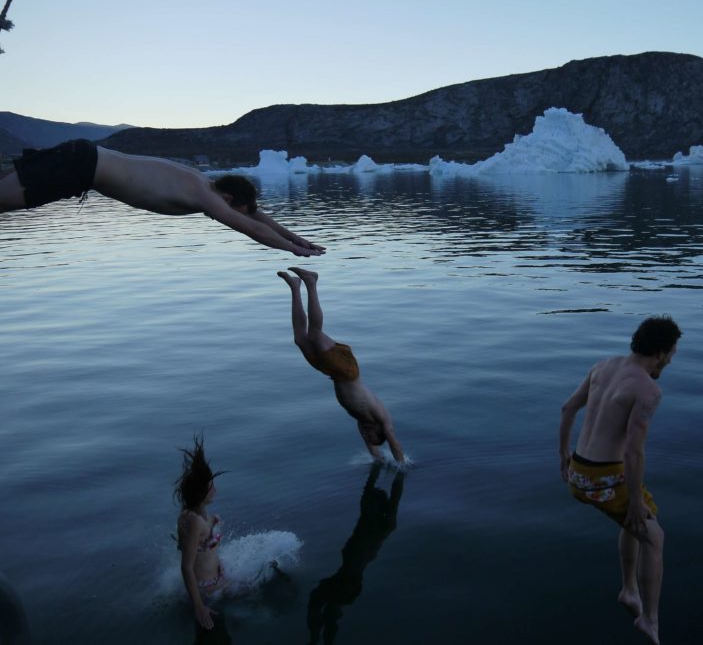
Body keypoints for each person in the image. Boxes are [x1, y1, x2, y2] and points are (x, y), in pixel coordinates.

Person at [559, 315, 681, 645]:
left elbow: (568, 408)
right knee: (654, 536)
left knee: (632, 523)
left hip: (579, 472)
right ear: (661, 351)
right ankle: (650, 620)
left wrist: (562, 456)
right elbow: (634, 452)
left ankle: (629, 590)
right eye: (671, 354)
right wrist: (637, 502)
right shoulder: (648, 390)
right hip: (604, 478)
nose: (670, 360)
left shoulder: (603, 367)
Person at [0, 139, 324, 257]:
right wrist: (295, 252)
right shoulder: (201, 194)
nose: (233, 216)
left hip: (81, 160)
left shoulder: (204, 183)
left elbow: (256, 218)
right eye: (233, 210)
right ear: (226, 198)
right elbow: (251, 228)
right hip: (79, 166)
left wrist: (300, 240)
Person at [278, 267, 405, 463]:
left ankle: (295, 287)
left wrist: (377, 458)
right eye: (371, 438)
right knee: (314, 334)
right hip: (347, 371)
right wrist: (401, 465)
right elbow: (394, 444)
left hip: (331, 372)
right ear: (379, 433)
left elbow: (372, 448)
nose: (365, 437)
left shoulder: (362, 421)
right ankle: (311, 282)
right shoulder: (382, 419)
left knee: (300, 339)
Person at [307, 462, 405, 644]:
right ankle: (318, 640)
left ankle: (317, 640)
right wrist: (381, 465)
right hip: (350, 580)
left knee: (321, 606)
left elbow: (393, 496)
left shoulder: (382, 526)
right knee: (325, 609)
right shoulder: (374, 521)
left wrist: (398, 473)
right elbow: (376, 488)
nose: (367, 503)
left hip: (350, 581)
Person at [174, 436, 228, 631]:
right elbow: (186, 566)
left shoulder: (192, 513)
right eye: (211, 486)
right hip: (208, 590)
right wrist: (199, 607)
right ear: (202, 492)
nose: (215, 490)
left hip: (217, 579)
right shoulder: (194, 521)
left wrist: (211, 522)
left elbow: (193, 544)